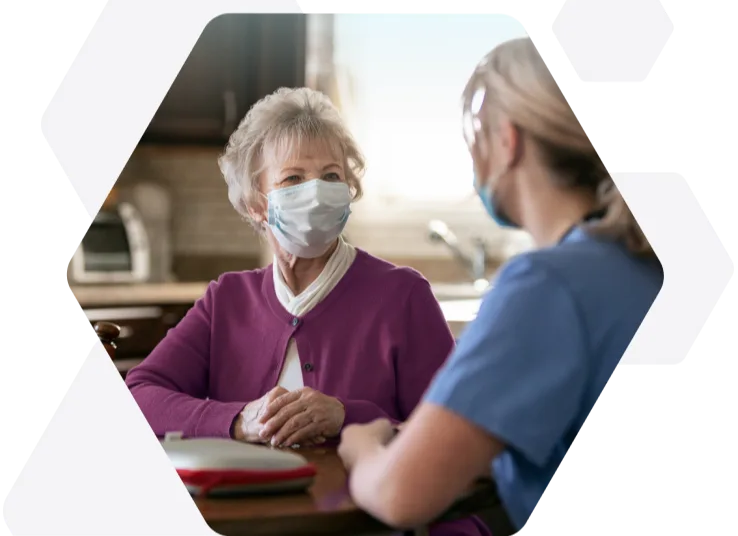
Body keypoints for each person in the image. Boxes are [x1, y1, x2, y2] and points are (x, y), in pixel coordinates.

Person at [125, 87, 489, 536]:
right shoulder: (227, 299)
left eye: (331, 176)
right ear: (257, 204)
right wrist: (237, 421)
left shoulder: (403, 295)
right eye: (293, 179)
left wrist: (346, 415)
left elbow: (452, 435)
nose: (316, 194)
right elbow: (140, 394)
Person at [337, 37, 664, 534]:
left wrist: (362, 447)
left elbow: (399, 495)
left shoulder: (547, 286)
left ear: (508, 142)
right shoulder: (646, 263)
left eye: (477, 140)